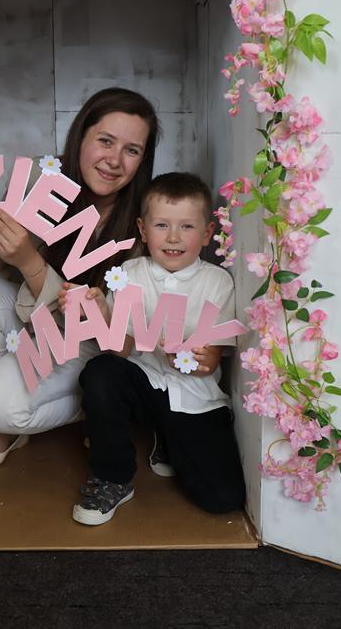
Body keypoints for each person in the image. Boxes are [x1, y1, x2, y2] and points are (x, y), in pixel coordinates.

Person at [0, 88, 161, 471]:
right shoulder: (41, 182)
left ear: (143, 160)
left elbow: (116, 339)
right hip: (35, 324)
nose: (114, 160)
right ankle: (6, 426)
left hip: (93, 348)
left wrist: (31, 263)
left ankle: (100, 409)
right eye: (105, 141)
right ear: (81, 137)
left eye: (132, 150)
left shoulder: (145, 217)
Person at [65, 172, 246, 525]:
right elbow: (121, 347)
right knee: (101, 372)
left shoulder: (218, 282)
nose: (173, 237)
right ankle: (113, 478)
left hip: (194, 396)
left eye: (187, 227)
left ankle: (169, 438)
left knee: (223, 498)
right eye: (162, 225)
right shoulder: (128, 274)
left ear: (207, 233)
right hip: (143, 384)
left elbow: (211, 361)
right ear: (143, 230)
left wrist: (196, 356)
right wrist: (100, 312)